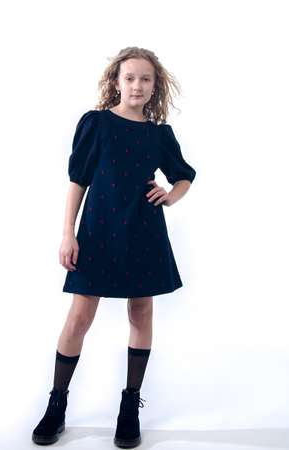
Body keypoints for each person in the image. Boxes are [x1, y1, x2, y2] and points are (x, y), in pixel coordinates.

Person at [32, 46, 196, 448]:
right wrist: (68, 233)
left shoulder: (159, 134)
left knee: (141, 313)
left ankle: (129, 406)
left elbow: (184, 175)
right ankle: (57, 404)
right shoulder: (97, 124)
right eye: (130, 77)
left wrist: (171, 196)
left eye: (145, 79)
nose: (137, 85)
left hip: (144, 231)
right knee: (79, 317)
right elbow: (78, 180)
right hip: (98, 231)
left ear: (155, 86)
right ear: (116, 82)